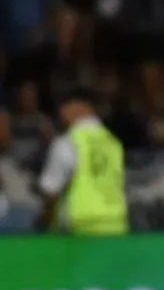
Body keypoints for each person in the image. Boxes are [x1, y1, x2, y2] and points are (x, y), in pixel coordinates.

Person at [35, 86, 128, 235]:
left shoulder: (68, 143)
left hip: (81, 229)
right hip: (116, 226)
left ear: (79, 106)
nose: (61, 112)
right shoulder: (113, 143)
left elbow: (51, 191)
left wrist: (49, 224)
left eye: (64, 106)